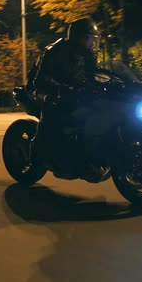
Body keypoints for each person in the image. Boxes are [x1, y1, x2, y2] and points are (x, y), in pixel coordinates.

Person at [29, 17, 101, 173]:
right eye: (89, 38)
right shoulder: (55, 51)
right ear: (78, 37)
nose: (92, 43)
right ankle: (37, 153)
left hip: (75, 92)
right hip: (47, 91)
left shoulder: (88, 55)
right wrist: (60, 89)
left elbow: (95, 74)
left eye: (94, 39)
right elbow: (40, 80)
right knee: (53, 112)